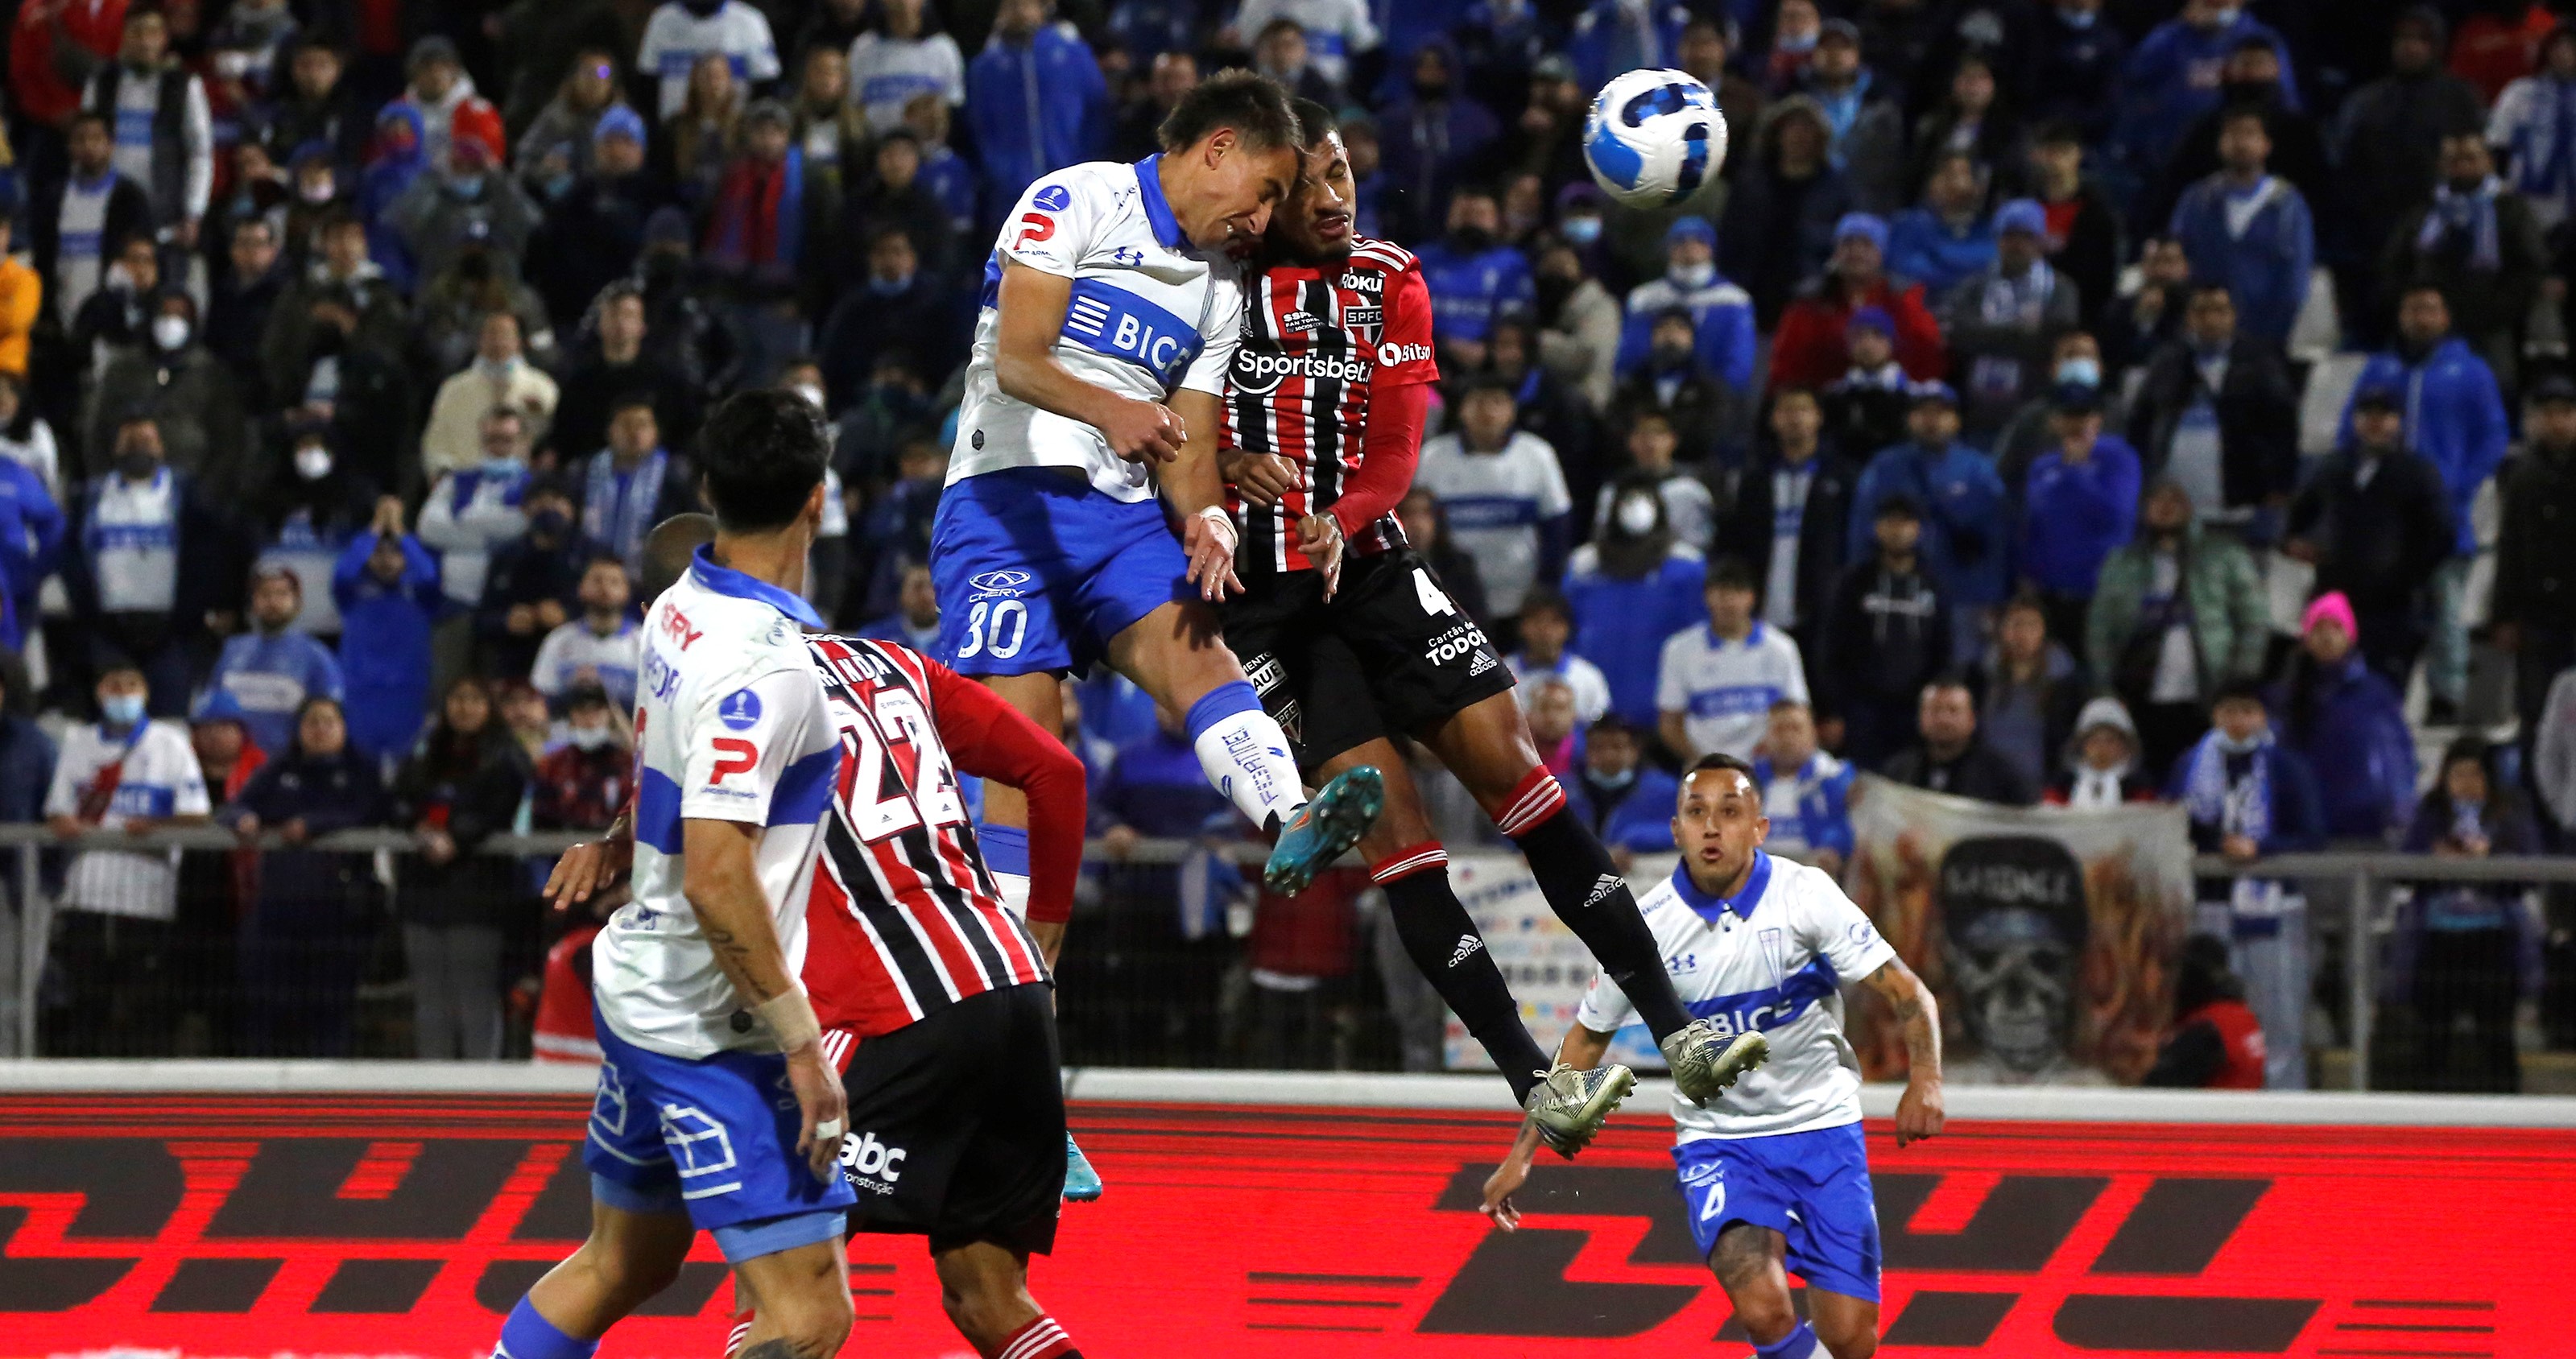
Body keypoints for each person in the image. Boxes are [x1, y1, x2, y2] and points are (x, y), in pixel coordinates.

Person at [1214, 104, 1755, 1142]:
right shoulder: (1214, 287)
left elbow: (1394, 452)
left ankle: (1679, 1032)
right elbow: (1178, 435)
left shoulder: (1391, 280)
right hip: (1267, 608)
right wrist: (1231, 465)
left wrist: (1342, 518)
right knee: (1398, 836)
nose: (1335, 200)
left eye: (1343, 176)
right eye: (1310, 185)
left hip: (1367, 566)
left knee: (1522, 781)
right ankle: (1533, 1081)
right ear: (1267, 197)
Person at [934, 72, 1379, 958]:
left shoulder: (1220, 284)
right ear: (1218, 150)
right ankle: (1009, 967)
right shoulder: (1075, 199)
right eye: (1263, 194)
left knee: (1202, 654)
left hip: (1121, 515)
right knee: (1032, 755)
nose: (1262, 221)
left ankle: (1289, 816)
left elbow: (1189, 440)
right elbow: (1018, 359)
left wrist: (1208, 515)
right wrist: (1112, 410)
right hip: (1004, 503)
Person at [484, 394, 860, 1359]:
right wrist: (803, 1047)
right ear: (817, 502)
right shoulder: (767, 668)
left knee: (628, 1261)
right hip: (714, 1025)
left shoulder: (677, 606)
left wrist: (616, 832)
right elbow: (718, 877)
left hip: (639, 988)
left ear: (705, 492)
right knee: (810, 1315)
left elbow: (669, 757)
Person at [1481, 754, 1945, 1359]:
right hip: (1719, 1142)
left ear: (1759, 826)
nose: (1710, 827)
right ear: (1674, 829)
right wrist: (1522, 1153)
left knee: (1851, 1340)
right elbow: (1586, 1039)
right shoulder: (1642, 927)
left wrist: (1927, 1080)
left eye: (1730, 812)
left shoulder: (1805, 896)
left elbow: (1906, 990)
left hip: (1822, 1132)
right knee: (1763, 1308)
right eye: (1695, 812)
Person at [2334, 288, 2510, 720]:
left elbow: (2493, 437)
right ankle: (2366, 690)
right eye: (2412, 308)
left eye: (2430, 309)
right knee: (2377, 607)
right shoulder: (2380, 368)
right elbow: (2347, 429)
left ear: (2447, 316)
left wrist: (2459, 487)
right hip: (2382, 520)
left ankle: (2446, 697)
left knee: (2445, 606)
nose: (2421, 317)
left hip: (2443, 514)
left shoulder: (2470, 372)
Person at [40, 667, 213, 1056]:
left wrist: (155, 824)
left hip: (147, 895)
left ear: (146, 692)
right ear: (99, 692)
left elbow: (198, 812)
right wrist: (61, 821)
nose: (122, 694)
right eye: (114, 686)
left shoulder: (171, 743)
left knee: (141, 1002)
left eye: (131, 685)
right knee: (85, 998)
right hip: (87, 891)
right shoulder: (78, 741)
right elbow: (58, 808)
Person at [2169, 679, 2326, 1089]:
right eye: (2229, 710)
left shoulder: (2287, 767)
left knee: (2280, 1013)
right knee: (2209, 1011)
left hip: (2274, 905)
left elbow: (2312, 834)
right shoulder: (2191, 766)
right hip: (2213, 904)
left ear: (2262, 716)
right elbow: (2170, 822)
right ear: (2215, 715)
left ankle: (2285, 1111)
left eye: (2248, 710)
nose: (2239, 721)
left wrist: (2261, 847)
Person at [221, 695, 382, 1057]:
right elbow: (238, 805)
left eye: (329, 722)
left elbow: (369, 810)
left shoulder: (360, 770)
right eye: (312, 722)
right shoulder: (280, 768)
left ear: (343, 728)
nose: (320, 729)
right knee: (270, 1008)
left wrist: (315, 825)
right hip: (278, 911)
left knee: (330, 1011)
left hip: (339, 913)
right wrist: (243, 817)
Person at [2086, 479, 2268, 781]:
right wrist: (2105, 691)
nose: (2166, 506)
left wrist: (2239, 684)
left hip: (2209, 692)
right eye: (2158, 499)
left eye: (2175, 498)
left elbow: (2254, 620)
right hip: (2139, 695)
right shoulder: (2121, 562)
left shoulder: (2224, 555)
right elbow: (2099, 630)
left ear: (2190, 507)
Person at [2392, 736, 2545, 1093]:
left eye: (2475, 774)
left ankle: (2510, 1125)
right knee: (2433, 1042)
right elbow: (2401, 866)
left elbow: (2533, 870)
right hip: (2437, 941)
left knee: (2497, 1042)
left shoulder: (2510, 814)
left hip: (2492, 941)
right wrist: (2436, 861)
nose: (2466, 784)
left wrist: (2490, 861)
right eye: (2458, 774)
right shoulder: (2430, 814)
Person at [2288, 382, 2457, 695]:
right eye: (2368, 415)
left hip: (2394, 605)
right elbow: (2298, 514)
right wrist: (2295, 543)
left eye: (2385, 415)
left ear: (2399, 421)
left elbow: (2442, 533)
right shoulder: (2335, 466)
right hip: (2338, 597)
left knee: (2385, 689)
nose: (2375, 423)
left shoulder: (2418, 472)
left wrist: (2407, 575)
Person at [1847, 382, 2007, 659]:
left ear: (1956, 420)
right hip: (1896, 593)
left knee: (1957, 671)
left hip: (1963, 595)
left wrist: (1992, 598)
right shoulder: (1885, 467)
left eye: (1940, 412)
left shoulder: (1978, 469)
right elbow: (1861, 531)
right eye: (1923, 412)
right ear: (1910, 419)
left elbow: (1996, 540)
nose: (1931, 420)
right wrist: (1859, 586)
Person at [2383, 133, 2550, 392]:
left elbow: (2530, 267)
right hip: (2428, 323)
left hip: (2492, 323)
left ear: (2488, 163)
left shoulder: (2511, 210)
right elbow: (2395, 263)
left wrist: (2497, 309)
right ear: (2441, 165)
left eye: (2470, 159)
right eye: (2453, 160)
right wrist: (2415, 305)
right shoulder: (2425, 211)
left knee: (2495, 388)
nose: (2462, 167)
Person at [2126, 284, 2300, 533]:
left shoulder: (2260, 362)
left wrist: (2280, 487)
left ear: (2233, 315)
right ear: (2189, 317)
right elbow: (2140, 422)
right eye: (2201, 311)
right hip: (2173, 505)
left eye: (2219, 310)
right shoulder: (2167, 361)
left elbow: (2284, 428)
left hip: (2239, 503)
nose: (2210, 320)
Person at [1415, 375, 1569, 621]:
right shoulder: (1434, 457)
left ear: (1512, 410)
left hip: (1519, 600)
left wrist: (1545, 588)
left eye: (1497, 402)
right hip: (1449, 599)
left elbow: (1556, 530)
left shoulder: (1537, 455)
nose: (1487, 412)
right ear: (1462, 410)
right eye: (1478, 402)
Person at [2273, 593, 2420, 845]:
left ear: (2350, 635)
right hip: (2311, 824)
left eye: (2336, 628)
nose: (2328, 637)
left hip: (2366, 820)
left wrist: (2401, 811)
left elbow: (2396, 754)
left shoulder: (2375, 692)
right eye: (2319, 629)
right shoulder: (2291, 694)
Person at [1562, 475, 1707, 729]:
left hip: (1665, 707)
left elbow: (1698, 637)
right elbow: (1567, 630)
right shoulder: (1584, 566)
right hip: (1597, 706)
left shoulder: (1688, 567)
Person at [1818, 494, 1951, 770]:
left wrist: (1935, 707)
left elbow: (1943, 649)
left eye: (1905, 522)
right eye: (1890, 522)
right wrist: (1833, 708)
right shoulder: (1854, 583)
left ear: (1918, 530)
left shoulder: (1934, 584)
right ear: (1877, 528)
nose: (1897, 530)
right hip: (1862, 710)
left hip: (1914, 711)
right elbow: (1832, 646)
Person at [2167, 107, 2314, 349]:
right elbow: (2179, 261)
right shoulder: (2198, 200)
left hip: (2267, 339)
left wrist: (2274, 334)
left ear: (2266, 144)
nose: (2242, 143)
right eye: (2234, 135)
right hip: (2203, 336)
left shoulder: (2288, 206)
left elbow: (2295, 278)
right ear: (2220, 144)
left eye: (2250, 134)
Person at [1724, 386, 1854, 656]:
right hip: (1762, 607)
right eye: (1787, 410)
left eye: (1803, 410)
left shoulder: (1842, 477)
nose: (1795, 418)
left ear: (1819, 417)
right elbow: (1739, 541)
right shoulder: (1755, 480)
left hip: (1821, 610)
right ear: (1773, 419)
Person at [1944, 198, 2081, 443]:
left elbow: (2053, 341)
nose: (2017, 244)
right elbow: (1961, 336)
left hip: (2033, 413)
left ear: (2040, 241)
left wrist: (1987, 335)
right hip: (1975, 413)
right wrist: (2023, 332)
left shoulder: (2060, 288)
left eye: (2026, 237)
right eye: (2009, 236)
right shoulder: (1974, 286)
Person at [964, 0, 1111, 220]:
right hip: (1009, 195)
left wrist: (1083, 166)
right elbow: (979, 127)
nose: (1017, 10)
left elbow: (1097, 115)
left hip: (1072, 188)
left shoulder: (1074, 55)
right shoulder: (985, 67)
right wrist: (998, 170)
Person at [2490, 374, 2576, 746]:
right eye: (2549, 413)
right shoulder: (2523, 474)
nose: (2558, 422)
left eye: (2566, 412)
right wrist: (2504, 613)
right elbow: (2511, 548)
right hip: (2538, 616)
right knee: (2538, 716)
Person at [81, 6, 212, 251]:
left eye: (152, 32)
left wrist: (194, 211)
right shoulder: (101, 82)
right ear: (124, 36)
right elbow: (83, 143)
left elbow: (200, 152)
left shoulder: (184, 85)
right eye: (137, 32)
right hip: (108, 207)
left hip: (165, 214)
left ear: (164, 37)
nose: (144, 41)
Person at [1768, 213, 1945, 393]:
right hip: (1820, 403)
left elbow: (1927, 353)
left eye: (1866, 244)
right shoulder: (1810, 301)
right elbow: (1786, 363)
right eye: (1848, 243)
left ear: (1881, 253)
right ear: (1835, 252)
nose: (1856, 252)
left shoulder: (1904, 297)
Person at [1657, 556, 1809, 763]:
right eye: (1720, 593)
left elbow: (1798, 714)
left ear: (1751, 597)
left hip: (1765, 768)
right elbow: (1670, 722)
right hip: (1706, 767)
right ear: (1706, 597)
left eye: (1736, 592)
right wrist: (1701, 762)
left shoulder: (1781, 647)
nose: (1728, 602)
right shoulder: (1679, 649)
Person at [2019, 383, 2140, 639]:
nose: (2076, 424)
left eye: (2083, 415)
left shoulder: (2118, 457)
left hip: (2102, 591)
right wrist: (2029, 575)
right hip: (2051, 591)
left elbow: (2117, 516)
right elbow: (2036, 527)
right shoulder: (2043, 466)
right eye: (2068, 416)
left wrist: (2077, 472)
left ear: (2097, 419)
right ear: (2054, 421)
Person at [333, 507, 443, 762]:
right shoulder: (351, 594)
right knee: (361, 767)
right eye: (378, 552)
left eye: (395, 553)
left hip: (408, 693)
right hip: (360, 693)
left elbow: (428, 574)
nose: (386, 559)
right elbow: (344, 572)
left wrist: (402, 533)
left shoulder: (420, 595)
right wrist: (373, 532)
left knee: (405, 768)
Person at [205, 565, 345, 756]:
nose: (273, 602)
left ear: (297, 603)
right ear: (253, 602)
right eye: (265, 594)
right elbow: (211, 710)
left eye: (282, 594)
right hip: (235, 769)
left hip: (287, 769)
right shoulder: (231, 650)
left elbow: (331, 719)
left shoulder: (315, 656)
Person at [1883, 676, 2039, 803]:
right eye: (1935, 710)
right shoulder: (1898, 771)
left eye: (1953, 710)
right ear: (1920, 719)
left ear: (1972, 720)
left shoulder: (2003, 776)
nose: (1944, 719)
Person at [2142, 933, 2266, 1088]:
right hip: (2243, 1110)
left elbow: (2159, 1085)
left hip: (2212, 1111)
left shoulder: (2207, 1029)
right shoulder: (2242, 1016)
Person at [1750, 700, 1853, 875]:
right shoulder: (1746, 781)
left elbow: (1845, 828)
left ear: (1813, 734)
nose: (1787, 738)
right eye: (1779, 729)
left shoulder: (1835, 776)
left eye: (1796, 728)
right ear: (1765, 737)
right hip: (1756, 868)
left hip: (1811, 870)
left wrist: (1833, 849)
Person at [636, 0, 780, 122]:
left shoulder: (750, 21)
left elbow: (767, 90)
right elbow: (647, 86)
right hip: (676, 134)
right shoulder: (662, 20)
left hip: (734, 135)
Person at [532, 556, 643, 713]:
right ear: (581, 588)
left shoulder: (643, 642)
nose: (605, 588)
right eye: (597, 580)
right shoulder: (559, 640)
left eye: (614, 582)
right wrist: (575, 689)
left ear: (627, 591)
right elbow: (543, 699)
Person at [846, 0, 965, 133]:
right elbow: (853, 103)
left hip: (927, 147)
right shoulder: (864, 47)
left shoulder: (942, 48)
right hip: (875, 146)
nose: (903, 3)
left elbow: (954, 106)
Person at [1507, 586, 1609, 727]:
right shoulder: (1504, 674)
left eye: (1554, 621)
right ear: (1521, 627)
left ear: (1567, 628)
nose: (1545, 630)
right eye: (1537, 621)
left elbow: (1597, 732)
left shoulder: (1588, 677)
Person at [2045, 694, 2158, 807]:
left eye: (2110, 741)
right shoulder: (2063, 783)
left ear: (2125, 746)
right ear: (2082, 746)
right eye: (2094, 741)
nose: (2101, 748)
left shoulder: (2137, 784)